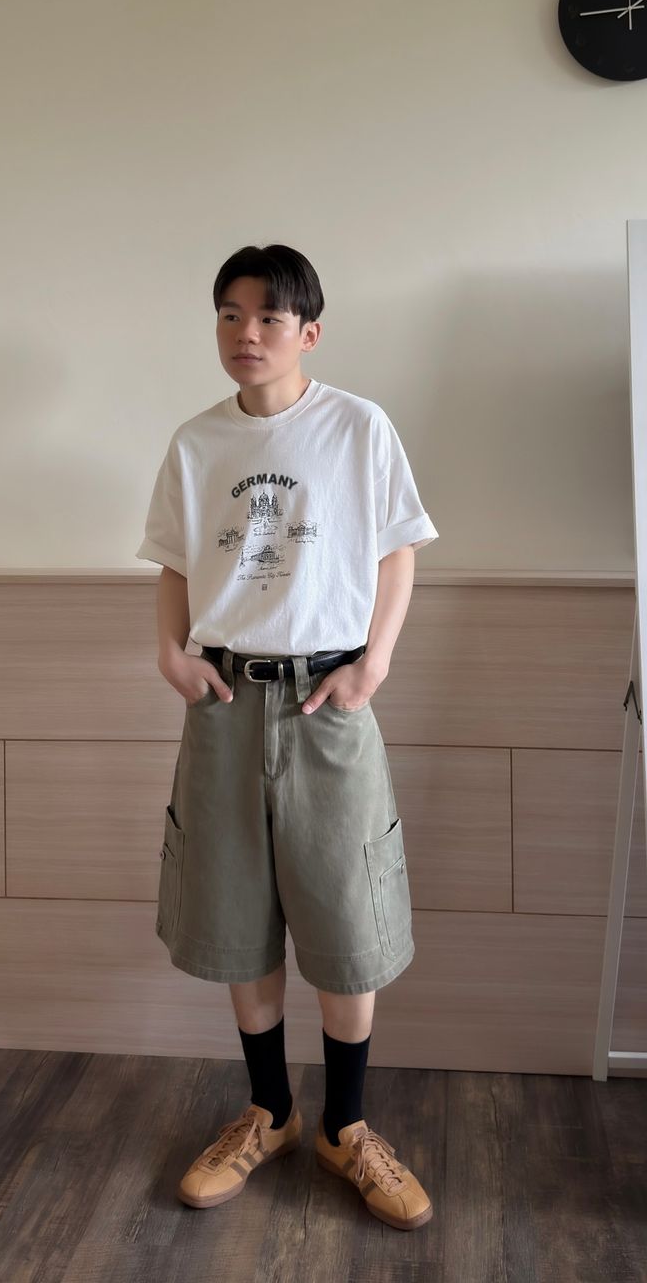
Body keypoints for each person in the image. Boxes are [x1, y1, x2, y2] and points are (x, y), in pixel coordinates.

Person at [136, 243, 439, 1230]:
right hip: (225, 701)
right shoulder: (195, 443)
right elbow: (174, 561)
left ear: (310, 331)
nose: (246, 333)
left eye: (268, 317)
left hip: (328, 703)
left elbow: (398, 549)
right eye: (229, 315)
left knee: (347, 918)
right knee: (236, 912)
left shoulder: (357, 426)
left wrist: (374, 663)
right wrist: (170, 653)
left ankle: (346, 1128)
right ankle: (269, 1112)